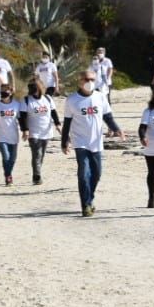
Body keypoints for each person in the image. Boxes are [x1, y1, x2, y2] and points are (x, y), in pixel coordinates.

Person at [61, 70, 122, 217]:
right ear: (80, 81)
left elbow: (108, 116)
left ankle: (90, 198)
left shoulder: (100, 97)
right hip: (80, 141)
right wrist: (64, 142)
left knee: (96, 174)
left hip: (96, 141)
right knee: (84, 173)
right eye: (87, 79)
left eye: (93, 79)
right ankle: (86, 205)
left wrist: (117, 129)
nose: (90, 82)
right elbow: (67, 123)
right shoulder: (71, 100)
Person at [0, 83, 26, 186]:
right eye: (1, 91)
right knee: (6, 156)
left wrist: (25, 131)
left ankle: (8, 173)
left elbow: (21, 120)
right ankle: (8, 176)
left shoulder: (17, 104)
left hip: (13, 135)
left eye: (6, 91)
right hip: (0, 135)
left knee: (13, 158)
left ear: (11, 92)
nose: (3, 93)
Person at [22, 79, 60, 185]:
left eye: (34, 86)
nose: (32, 89)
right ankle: (36, 176)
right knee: (36, 153)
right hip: (33, 132)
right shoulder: (26, 100)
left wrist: (57, 124)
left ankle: (37, 171)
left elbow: (53, 112)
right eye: (30, 86)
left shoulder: (47, 98)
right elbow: (23, 117)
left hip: (46, 131)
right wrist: (25, 130)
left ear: (40, 87)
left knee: (41, 154)